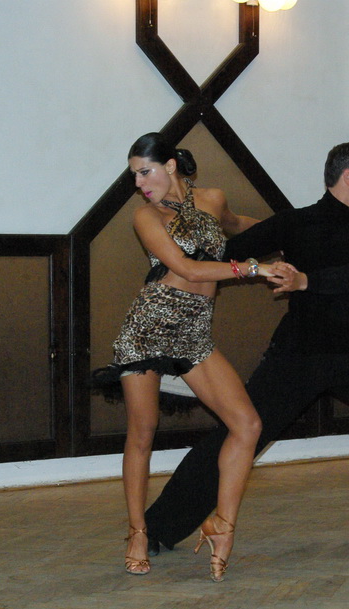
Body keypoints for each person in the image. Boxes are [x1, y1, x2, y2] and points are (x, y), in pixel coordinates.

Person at [143, 142, 349, 555]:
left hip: (345, 357)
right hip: (295, 360)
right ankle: (156, 528)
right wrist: (175, 256)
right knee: (235, 437)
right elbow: (227, 253)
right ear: (348, 177)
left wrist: (306, 280)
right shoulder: (294, 222)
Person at [94, 132, 291, 581]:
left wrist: (290, 238)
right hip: (149, 328)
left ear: (169, 165)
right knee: (142, 433)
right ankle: (137, 531)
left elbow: (242, 226)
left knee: (248, 424)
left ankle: (222, 525)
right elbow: (187, 268)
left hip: (194, 334)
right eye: (134, 176)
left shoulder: (213, 199)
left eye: (145, 172)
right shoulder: (145, 216)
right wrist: (255, 268)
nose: (140, 183)